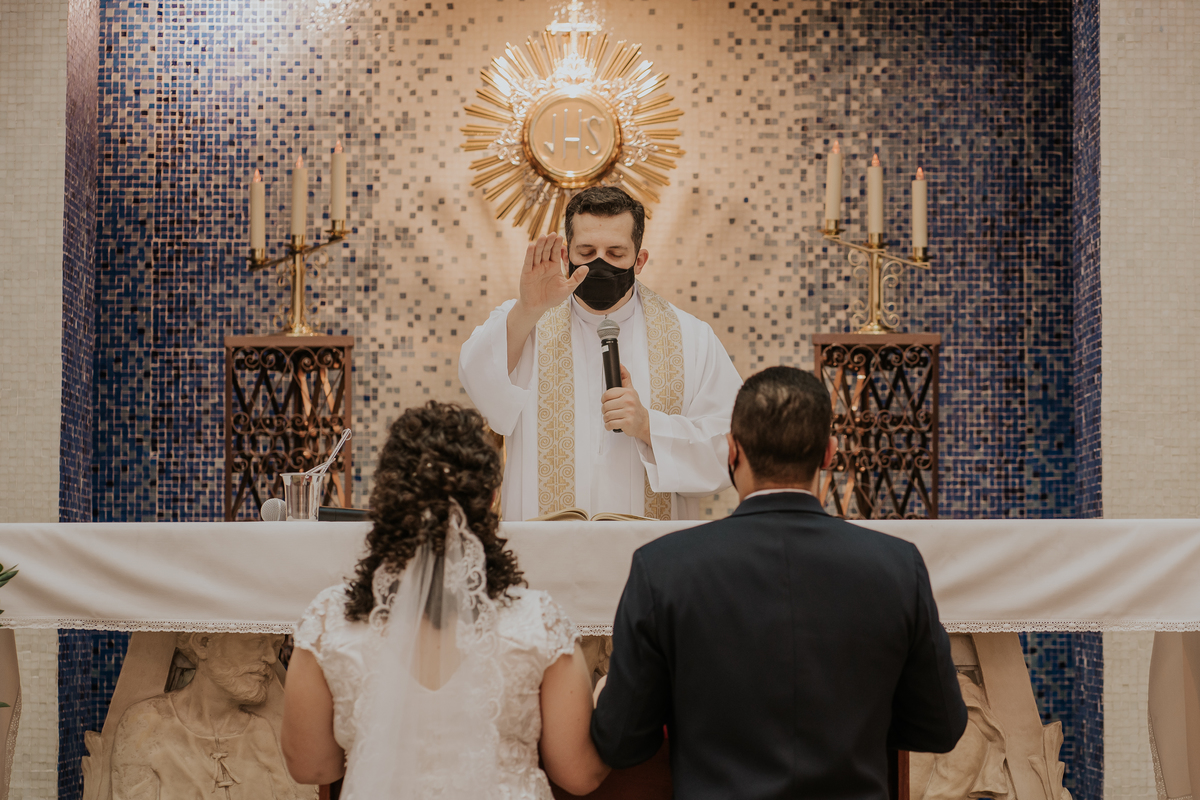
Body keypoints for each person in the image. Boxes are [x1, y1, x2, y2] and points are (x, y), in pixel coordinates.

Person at [591, 366, 968, 799]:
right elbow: (940, 727)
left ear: (733, 451)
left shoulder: (663, 568)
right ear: (828, 454)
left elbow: (621, 743)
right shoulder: (898, 567)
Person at [280, 402, 610, 798]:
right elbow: (579, 775)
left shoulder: (328, 620)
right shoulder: (537, 621)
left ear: (386, 499)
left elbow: (311, 765)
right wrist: (605, 693)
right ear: (490, 501)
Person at [458, 186, 742, 522]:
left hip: (648, 555)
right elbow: (477, 379)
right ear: (566, 257)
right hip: (545, 552)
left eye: (616, 253)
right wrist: (527, 309)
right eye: (587, 251)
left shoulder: (692, 337)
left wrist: (649, 426)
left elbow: (729, 448)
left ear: (640, 260)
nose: (599, 263)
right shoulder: (525, 320)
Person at [111, 632, 310, 800]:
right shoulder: (146, 723)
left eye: (276, 645)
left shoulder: (262, 731)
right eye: (257, 642)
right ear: (203, 643)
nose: (271, 658)